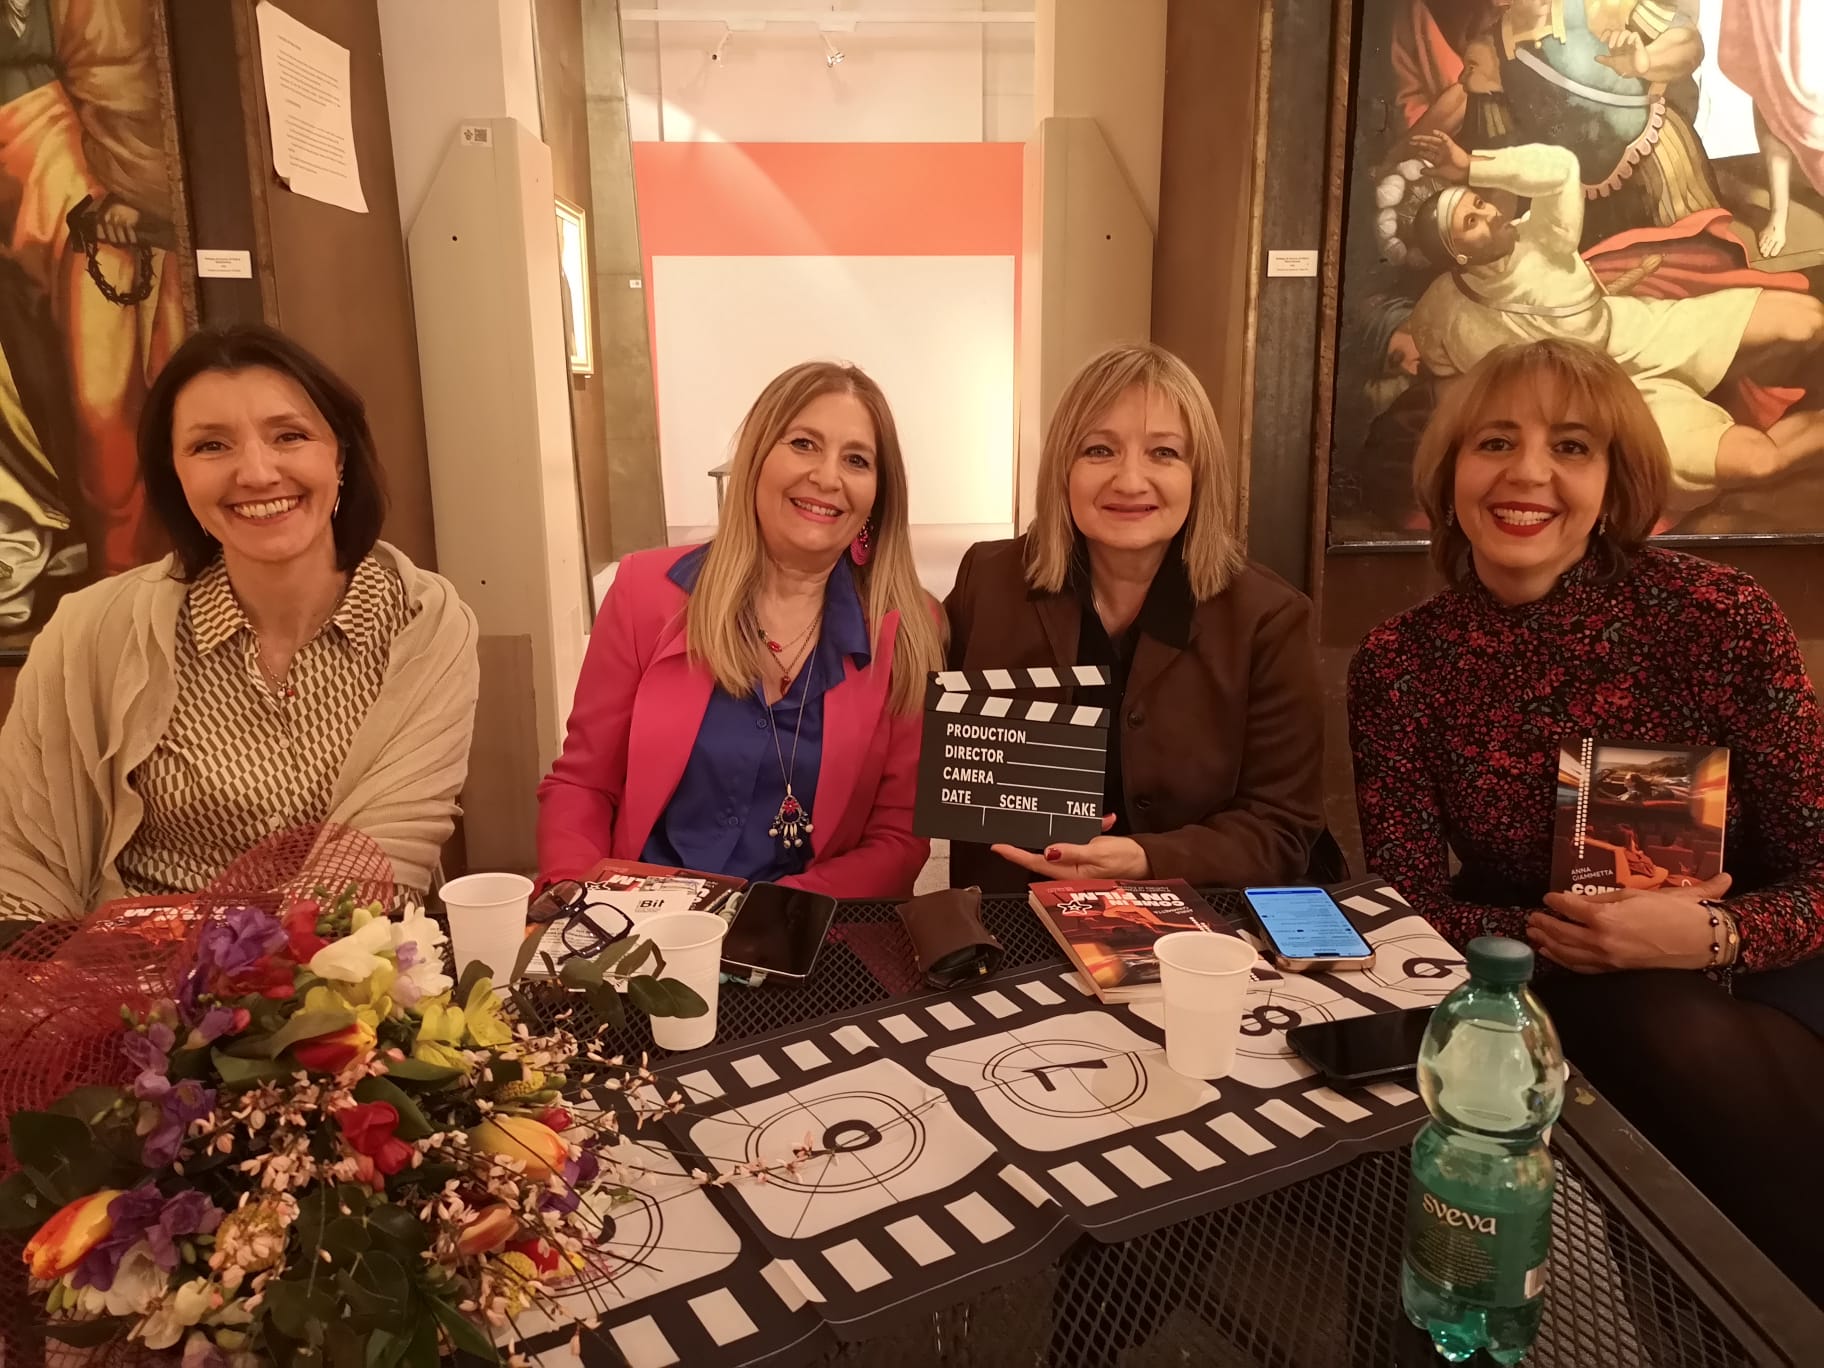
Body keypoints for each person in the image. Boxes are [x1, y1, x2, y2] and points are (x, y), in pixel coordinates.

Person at [1348, 337, 1824, 1303]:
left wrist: (1712, 934)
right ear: (1450, 477)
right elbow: (1407, 906)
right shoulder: (1400, 662)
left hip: (1759, 972)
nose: (1528, 473)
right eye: (1495, 442)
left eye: (1571, 446)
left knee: (1679, 1041)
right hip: (1535, 978)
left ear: (1614, 482)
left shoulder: (1719, 618)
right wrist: (1575, 939)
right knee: (1641, 1031)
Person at [0, 325, 480, 920]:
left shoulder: (423, 623)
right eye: (211, 446)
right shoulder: (91, 632)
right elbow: (22, 861)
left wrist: (265, 968)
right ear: (176, 472)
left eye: (289, 436)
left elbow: (388, 850)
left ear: (339, 455)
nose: (256, 473)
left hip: (353, 959)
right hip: (132, 969)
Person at [538, 361, 941, 899]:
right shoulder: (643, 594)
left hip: (809, 929)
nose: (827, 477)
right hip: (642, 922)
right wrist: (575, 898)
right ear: (755, 460)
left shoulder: (908, 629)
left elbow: (899, 839)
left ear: (877, 495)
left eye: (856, 460)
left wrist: (768, 916)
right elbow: (584, 784)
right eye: (803, 444)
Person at [944, 343, 1326, 892]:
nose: (1129, 480)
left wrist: (1146, 858)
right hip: (1013, 909)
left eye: (1163, 453)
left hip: (1196, 920)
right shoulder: (987, 580)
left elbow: (1281, 828)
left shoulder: (1269, 618)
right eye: (1099, 450)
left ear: (1199, 474)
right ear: (1063, 468)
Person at [1401, 133, 1824, 514]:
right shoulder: (1438, 314)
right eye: (1471, 222)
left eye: (1478, 203)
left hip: (1639, 334)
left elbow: (1561, 167)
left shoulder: (1542, 235)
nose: (1491, 214)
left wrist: (1469, 166)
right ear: (1457, 255)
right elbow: (1450, 387)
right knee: (1757, 460)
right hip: (1605, 404)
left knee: (1805, 318)